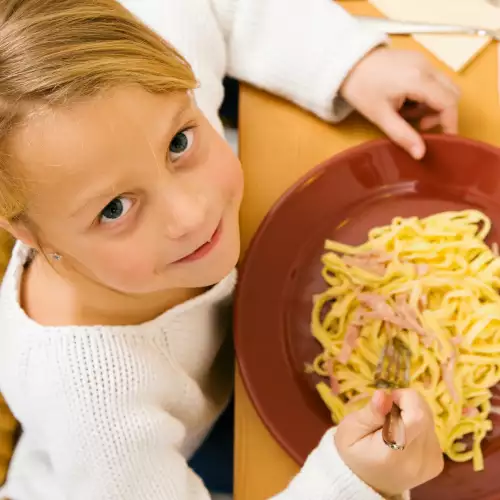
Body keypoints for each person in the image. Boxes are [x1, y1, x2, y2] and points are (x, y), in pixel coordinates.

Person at [0, 0, 453, 498]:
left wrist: (345, 63)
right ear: (25, 232)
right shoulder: (90, 406)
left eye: (178, 144)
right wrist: (354, 483)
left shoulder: (130, 89)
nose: (192, 215)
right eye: (113, 209)